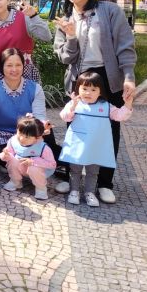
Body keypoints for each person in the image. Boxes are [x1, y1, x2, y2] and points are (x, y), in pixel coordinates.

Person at [53, 0, 136, 204]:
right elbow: (65, 58)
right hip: (79, 79)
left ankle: (105, 183)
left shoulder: (109, 11)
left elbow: (125, 45)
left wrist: (128, 76)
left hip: (108, 78)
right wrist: (70, 36)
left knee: (109, 130)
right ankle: (71, 177)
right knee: (74, 129)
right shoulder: (65, 19)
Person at [59, 71, 133, 207]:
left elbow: (120, 115)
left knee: (93, 172)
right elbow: (65, 117)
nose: (88, 93)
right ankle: (74, 191)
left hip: (95, 146)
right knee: (75, 169)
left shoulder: (106, 106)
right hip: (77, 145)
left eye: (93, 89)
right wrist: (73, 106)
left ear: (100, 91)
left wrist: (127, 104)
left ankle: (89, 192)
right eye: (84, 89)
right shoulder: (74, 104)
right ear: (78, 89)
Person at [0, 48, 54, 167]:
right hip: (1, 134)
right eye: (9, 65)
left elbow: (39, 116)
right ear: (1, 67)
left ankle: (21, 163)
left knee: (49, 144)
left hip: (28, 133)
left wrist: (43, 126)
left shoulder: (35, 88)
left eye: (18, 65)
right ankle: (26, 163)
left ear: (23, 66)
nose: (14, 69)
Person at [0, 0, 52, 82]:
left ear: (8, 0)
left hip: (25, 73)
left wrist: (34, 16)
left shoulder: (24, 18)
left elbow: (47, 36)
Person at [0, 116, 56, 200]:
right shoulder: (13, 141)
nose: (22, 138)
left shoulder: (43, 147)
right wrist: (5, 155)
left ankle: (41, 188)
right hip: (22, 167)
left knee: (34, 168)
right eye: (20, 133)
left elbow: (52, 164)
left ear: (37, 137)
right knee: (12, 160)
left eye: (27, 137)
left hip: (40, 170)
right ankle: (15, 181)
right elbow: (10, 154)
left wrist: (33, 161)